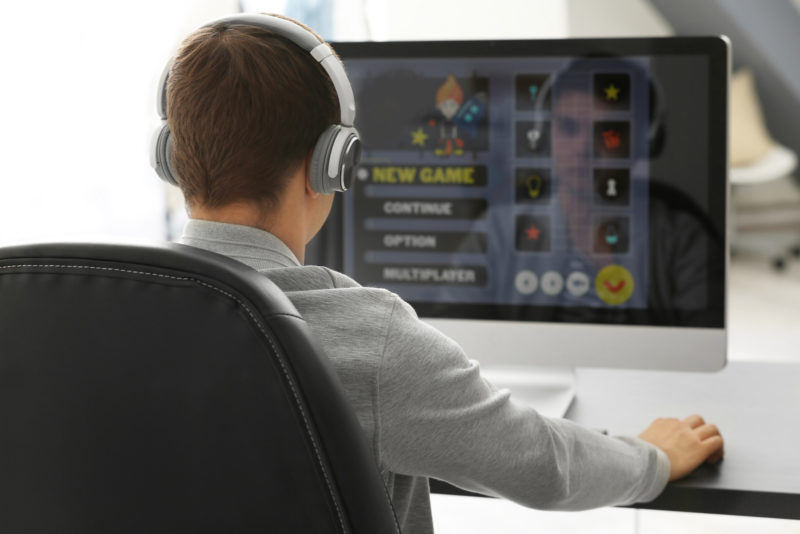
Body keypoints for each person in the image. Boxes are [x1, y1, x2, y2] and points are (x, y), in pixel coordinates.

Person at [162, 14, 724, 534]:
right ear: (330, 163)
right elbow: (541, 466)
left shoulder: (89, 311)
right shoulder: (370, 340)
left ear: (170, 155)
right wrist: (651, 457)